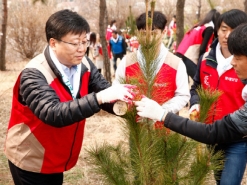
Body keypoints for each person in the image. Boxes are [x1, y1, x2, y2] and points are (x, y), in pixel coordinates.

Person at [4, 9, 136, 185]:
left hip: (56, 158)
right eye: (75, 43)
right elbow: (53, 113)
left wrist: (128, 107)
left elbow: (104, 90)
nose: (82, 49)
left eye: (84, 42)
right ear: (53, 43)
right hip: (31, 159)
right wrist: (98, 98)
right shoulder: (34, 74)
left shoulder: (84, 65)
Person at [135, 22, 247, 185]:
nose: (232, 63)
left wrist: (162, 115)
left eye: (237, 58)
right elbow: (196, 87)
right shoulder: (206, 60)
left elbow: (212, 133)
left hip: (233, 137)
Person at [188, 9, 247, 185]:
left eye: (233, 30)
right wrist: (195, 104)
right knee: (219, 179)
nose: (227, 35)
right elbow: (196, 88)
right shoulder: (206, 59)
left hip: (237, 139)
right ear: (217, 29)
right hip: (211, 135)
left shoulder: (244, 65)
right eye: (223, 29)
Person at [114, 11, 190, 128]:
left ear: (164, 32)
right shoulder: (127, 62)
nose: (148, 39)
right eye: (143, 33)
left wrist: (160, 112)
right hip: (138, 133)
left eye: (153, 33)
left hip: (167, 132)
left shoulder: (176, 63)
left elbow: (183, 95)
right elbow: (116, 90)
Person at [176, 9, 220, 79]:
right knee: (199, 82)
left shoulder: (199, 26)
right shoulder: (209, 28)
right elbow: (203, 49)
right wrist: (201, 64)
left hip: (180, 53)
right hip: (189, 57)